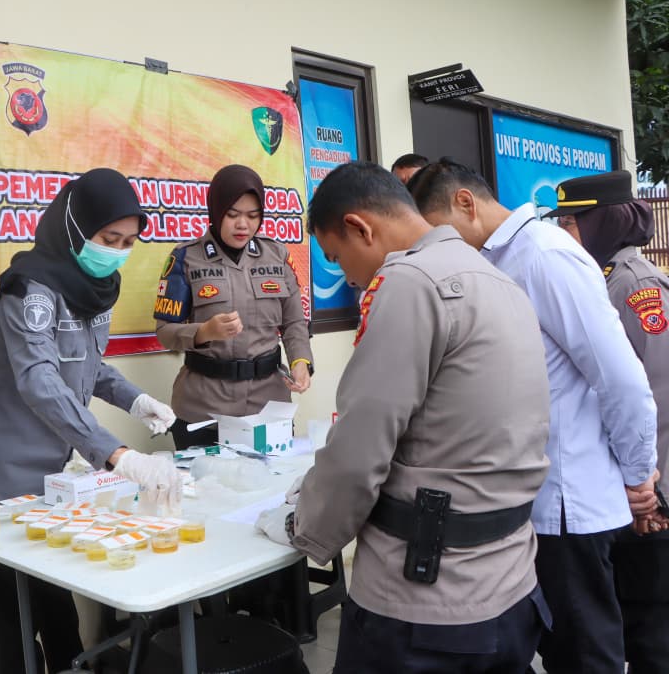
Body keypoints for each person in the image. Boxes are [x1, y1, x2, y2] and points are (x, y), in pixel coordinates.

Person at [256, 160, 552, 672]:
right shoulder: (495, 278)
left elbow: (360, 448)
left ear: (360, 227)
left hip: (426, 602)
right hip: (509, 583)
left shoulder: (410, 281)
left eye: (336, 258)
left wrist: (303, 525)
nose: (348, 276)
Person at [407, 159, 660, 674]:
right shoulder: (501, 259)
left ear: (465, 203)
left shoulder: (544, 255)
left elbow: (620, 377)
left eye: (442, 231)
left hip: (570, 503)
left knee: (586, 653)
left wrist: (640, 476)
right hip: (533, 499)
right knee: (558, 646)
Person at [0, 168, 181, 674]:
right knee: (14, 609)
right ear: (76, 228)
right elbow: (39, 379)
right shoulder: (29, 289)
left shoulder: (96, 287)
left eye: (128, 243)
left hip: (50, 460)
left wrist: (137, 400)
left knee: (55, 596)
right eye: (108, 239)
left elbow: (87, 364)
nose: (117, 252)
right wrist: (116, 454)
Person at [544, 169, 669, 673]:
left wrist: (652, 492)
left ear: (606, 222)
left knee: (650, 635)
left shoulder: (634, 284)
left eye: (571, 223)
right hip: (622, 490)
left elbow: (657, 393)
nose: (563, 233)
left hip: (650, 496)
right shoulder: (595, 277)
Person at [154, 164, 312, 449]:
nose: (243, 225)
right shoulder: (186, 258)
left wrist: (300, 361)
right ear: (216, 211)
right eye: (232, 214)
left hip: (268, 405)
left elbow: (294, 322)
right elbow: (165, 332)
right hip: (204, 407)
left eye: (253, 215)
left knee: (273, 477)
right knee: (205, 478)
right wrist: (204, 332)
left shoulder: (276, 255)